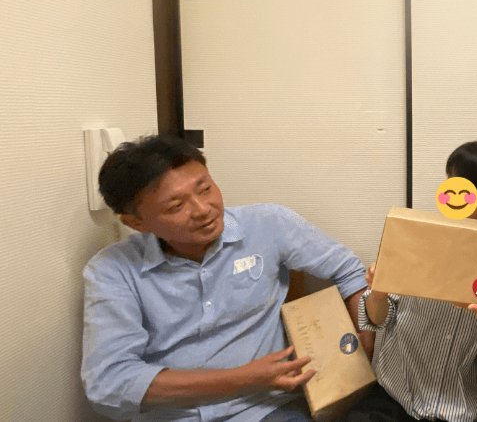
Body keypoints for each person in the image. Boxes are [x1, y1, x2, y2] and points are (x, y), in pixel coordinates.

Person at [81, 135, 371, 422]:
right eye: (176, 206)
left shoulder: (268, 224)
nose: (203, 209)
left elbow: (348, 271)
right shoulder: (112, 270)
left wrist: (363, 346)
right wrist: (243, 379)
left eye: (205, 188)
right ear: (135, 222)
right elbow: (108, 382)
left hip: (266, 409)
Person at [349, 141, 477, 422]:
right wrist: (378, 293)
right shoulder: (418, 239)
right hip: (393, 400)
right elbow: (377, 319)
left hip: (467, 411)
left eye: (462, 186)